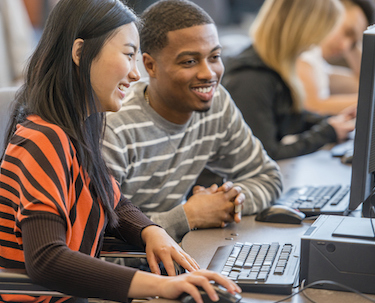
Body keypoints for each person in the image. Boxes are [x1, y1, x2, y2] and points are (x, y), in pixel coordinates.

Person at [0, 1, 241, 303]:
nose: (135, 74)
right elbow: (47, 260)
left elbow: (112, 200)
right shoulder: (42, 139)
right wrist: (161, 286)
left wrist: (150, 231)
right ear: (80, 53)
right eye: (129, 55)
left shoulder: (76, 129)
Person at [102, 0, 282, 243]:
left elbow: (268, 177)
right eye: (189, 61)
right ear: (150, 65)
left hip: (178, 255)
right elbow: (100, 228)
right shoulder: (114, 128)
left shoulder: (216, 104)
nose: (208, 73)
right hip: (128, 272)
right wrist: (188, 216)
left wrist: (228, 203)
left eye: (215, 56)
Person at [222, 0, 356, 161]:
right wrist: (326, 134)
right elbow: (266, 153)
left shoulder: (274, 65)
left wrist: (330, 122)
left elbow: (288, 118)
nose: (314, 45)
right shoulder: (251, 78)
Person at [297, 0, 375, 115]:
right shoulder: (304, 53)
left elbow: (361, 83)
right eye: (347, 32)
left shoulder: (317, 60)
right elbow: (312, 106)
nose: (345, 47)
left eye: (352, 43)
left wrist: (354, 41)